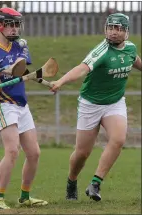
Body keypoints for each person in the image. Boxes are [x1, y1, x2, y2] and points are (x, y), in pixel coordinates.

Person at [50, 13, 142, 201]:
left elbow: (138, 63)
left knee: (118, 139)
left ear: (127, 32)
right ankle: (71, 181)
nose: (114, 32)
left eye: (119, 29)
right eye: (111, 28)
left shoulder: (131, 49)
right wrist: (61, 81)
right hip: (90, 104)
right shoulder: (102, 51)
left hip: (114, 103)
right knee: (82, 153)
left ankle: (95, 184)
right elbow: (82, 68)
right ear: (105, 29)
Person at [0, 7, 48, 209]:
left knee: (34, 153)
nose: (15, 29)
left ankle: (25, 196)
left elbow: (21, 66)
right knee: (11, 150)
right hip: (3, 103)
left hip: (21, 103)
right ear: (0, 25)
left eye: (17, 24)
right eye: (11, 24)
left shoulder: (21, 45)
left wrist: (4, 69)